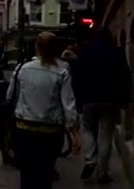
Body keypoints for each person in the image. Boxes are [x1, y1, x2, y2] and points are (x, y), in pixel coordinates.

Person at [6, 32, 80, 189]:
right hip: (51, 132)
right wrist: (74, 133)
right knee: (45, 174)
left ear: (36, 47)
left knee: (26, 173)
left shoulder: (22, 69)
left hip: (24, 130)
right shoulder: (61, 72)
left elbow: (10, 96)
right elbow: (69, 105)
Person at [78, 28, 131, 184]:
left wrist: (79, 100)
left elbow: (79, 77)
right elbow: (125, 77)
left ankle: (90, 158)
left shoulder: (87, 52)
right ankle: (102, 173)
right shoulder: (118, 53)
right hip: (110, 99)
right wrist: (125, 99)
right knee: (106, 135)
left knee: (87, 129)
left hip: (89, 98)